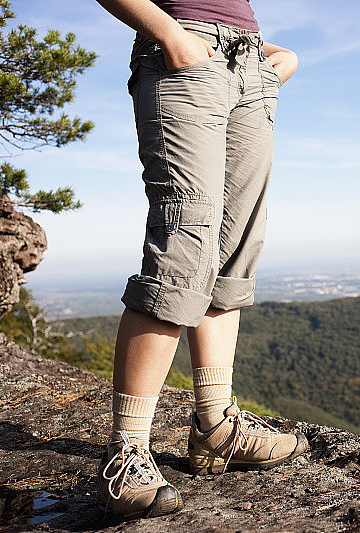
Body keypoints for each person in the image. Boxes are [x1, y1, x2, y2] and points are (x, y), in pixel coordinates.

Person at [94, 0, 304, 519]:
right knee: (181, 247)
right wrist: (168, 32)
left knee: (234, 249)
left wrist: (275, 52)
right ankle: (128, 451)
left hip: (251, 67)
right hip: (183, 58)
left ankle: (216, 426)